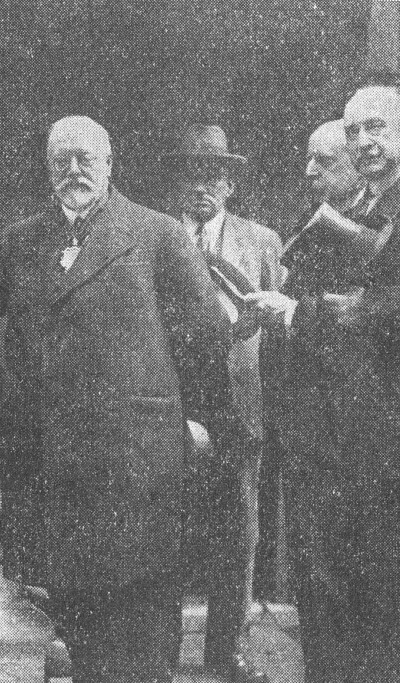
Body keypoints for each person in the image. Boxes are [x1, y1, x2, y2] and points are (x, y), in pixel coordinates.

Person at [0, 115, 253, 683]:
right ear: (48, 169)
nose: (74, 169)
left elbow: (205, 335)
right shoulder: (25, 239)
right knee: (80, 633)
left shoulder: (157, 234)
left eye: (86, 157)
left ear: (110, 165)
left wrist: (205, 424)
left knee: (142, 630)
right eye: (61, 159)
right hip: (60, 470)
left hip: (139, 463)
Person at [250, 85, 400, 683]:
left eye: (377, 129)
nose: (365, 143)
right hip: (367, 446)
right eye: (355, 131)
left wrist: (311, 314)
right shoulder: (383, 200)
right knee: (366, 613)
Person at [246, 119, 362, 683]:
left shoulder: (366, 232)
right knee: (315, 575)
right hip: (307, 429)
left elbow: (355, 329)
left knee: (338, 577)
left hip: (344, 433)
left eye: (323, 161)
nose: (309, 172)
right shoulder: (318, 225)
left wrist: (288, 311)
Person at [165, 124, 282, 683]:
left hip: (239, 403)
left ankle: (226, 649)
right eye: (191, 173)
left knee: (239, 532)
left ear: (230, 184)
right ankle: (155, 645)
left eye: (213, 175)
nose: (202, 186)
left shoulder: (261, 242)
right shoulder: (158, 237)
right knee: (163, 523)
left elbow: (280, 328)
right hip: (172, 399)